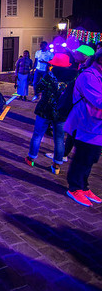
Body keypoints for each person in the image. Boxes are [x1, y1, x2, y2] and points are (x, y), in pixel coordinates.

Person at [25, 53, 77, 174]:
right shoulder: (72, 78)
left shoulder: (50, 75)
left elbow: (38, 87)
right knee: (59, 138)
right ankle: (56, 165)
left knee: (38, 134)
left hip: (45, 110)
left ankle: (31, 157)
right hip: (62, 112)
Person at [64, 48, 102, 207]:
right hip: (85, 125)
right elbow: (98, 101)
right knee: (82, 158)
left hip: (96, 127)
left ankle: (84, 186)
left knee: (91, 158)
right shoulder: (88, 76)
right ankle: (74, 187)